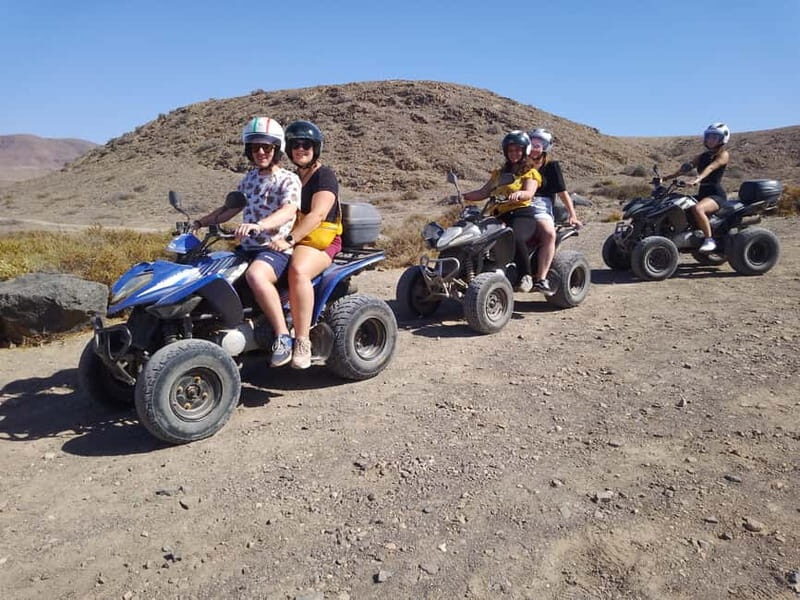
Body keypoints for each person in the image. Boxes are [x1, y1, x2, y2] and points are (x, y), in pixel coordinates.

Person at [193, 116, 301, 367]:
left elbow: (289, 210)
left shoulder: (288, 179)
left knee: (256, 276)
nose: (261, 152)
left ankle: (283, 336)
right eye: (255, 147)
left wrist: (259, 225)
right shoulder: (249, 179)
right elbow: (230, 208)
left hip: (275, 248)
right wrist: (199, 223)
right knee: (212, 275)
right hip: (247, 248)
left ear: (277, 149)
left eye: (266, 147)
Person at [267, 120, 341, 369]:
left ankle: (302, 340)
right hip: (296, 236)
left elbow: (317, 215)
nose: (301, 149)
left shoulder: (324, 176)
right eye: (296, 145)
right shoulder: (292, 178)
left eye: (306, 144)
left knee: (298, 270)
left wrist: (289, 239)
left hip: (321, 240)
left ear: (316, 148)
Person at [463, 130, 542, 293]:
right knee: (475, 237)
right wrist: (461, 196)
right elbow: (483, 192)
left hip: (522, 213)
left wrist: (520, 194)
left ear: (525, 150)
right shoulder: (499, 174)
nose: (514, 153)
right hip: (499, 214)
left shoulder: (530, 172)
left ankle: (525, 276)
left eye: (518, 150)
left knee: (515, 237)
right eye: (510, 150)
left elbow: (529, 192)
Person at [527, 128, 583, 294]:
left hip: (540, 205)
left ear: (545, 147)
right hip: (517, 204)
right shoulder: (519, 162)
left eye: (539, 144)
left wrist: (572, 214)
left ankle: (541, 279)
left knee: (549, 234)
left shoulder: (551, 166)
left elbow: (562, 192)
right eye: (531, 143)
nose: (534, 147)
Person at [662, 122, 731, 252]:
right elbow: (685, 169)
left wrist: (697, 179)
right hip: (702, 193)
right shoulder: (703, 156)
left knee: (698, 208)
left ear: (722, 139)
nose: (710, 139)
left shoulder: (723, 155)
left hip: (716, 196)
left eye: (714, 137)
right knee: (677, 206)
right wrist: (664, 178)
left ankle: (709, 240)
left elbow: (711, 167)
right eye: (709, 136)